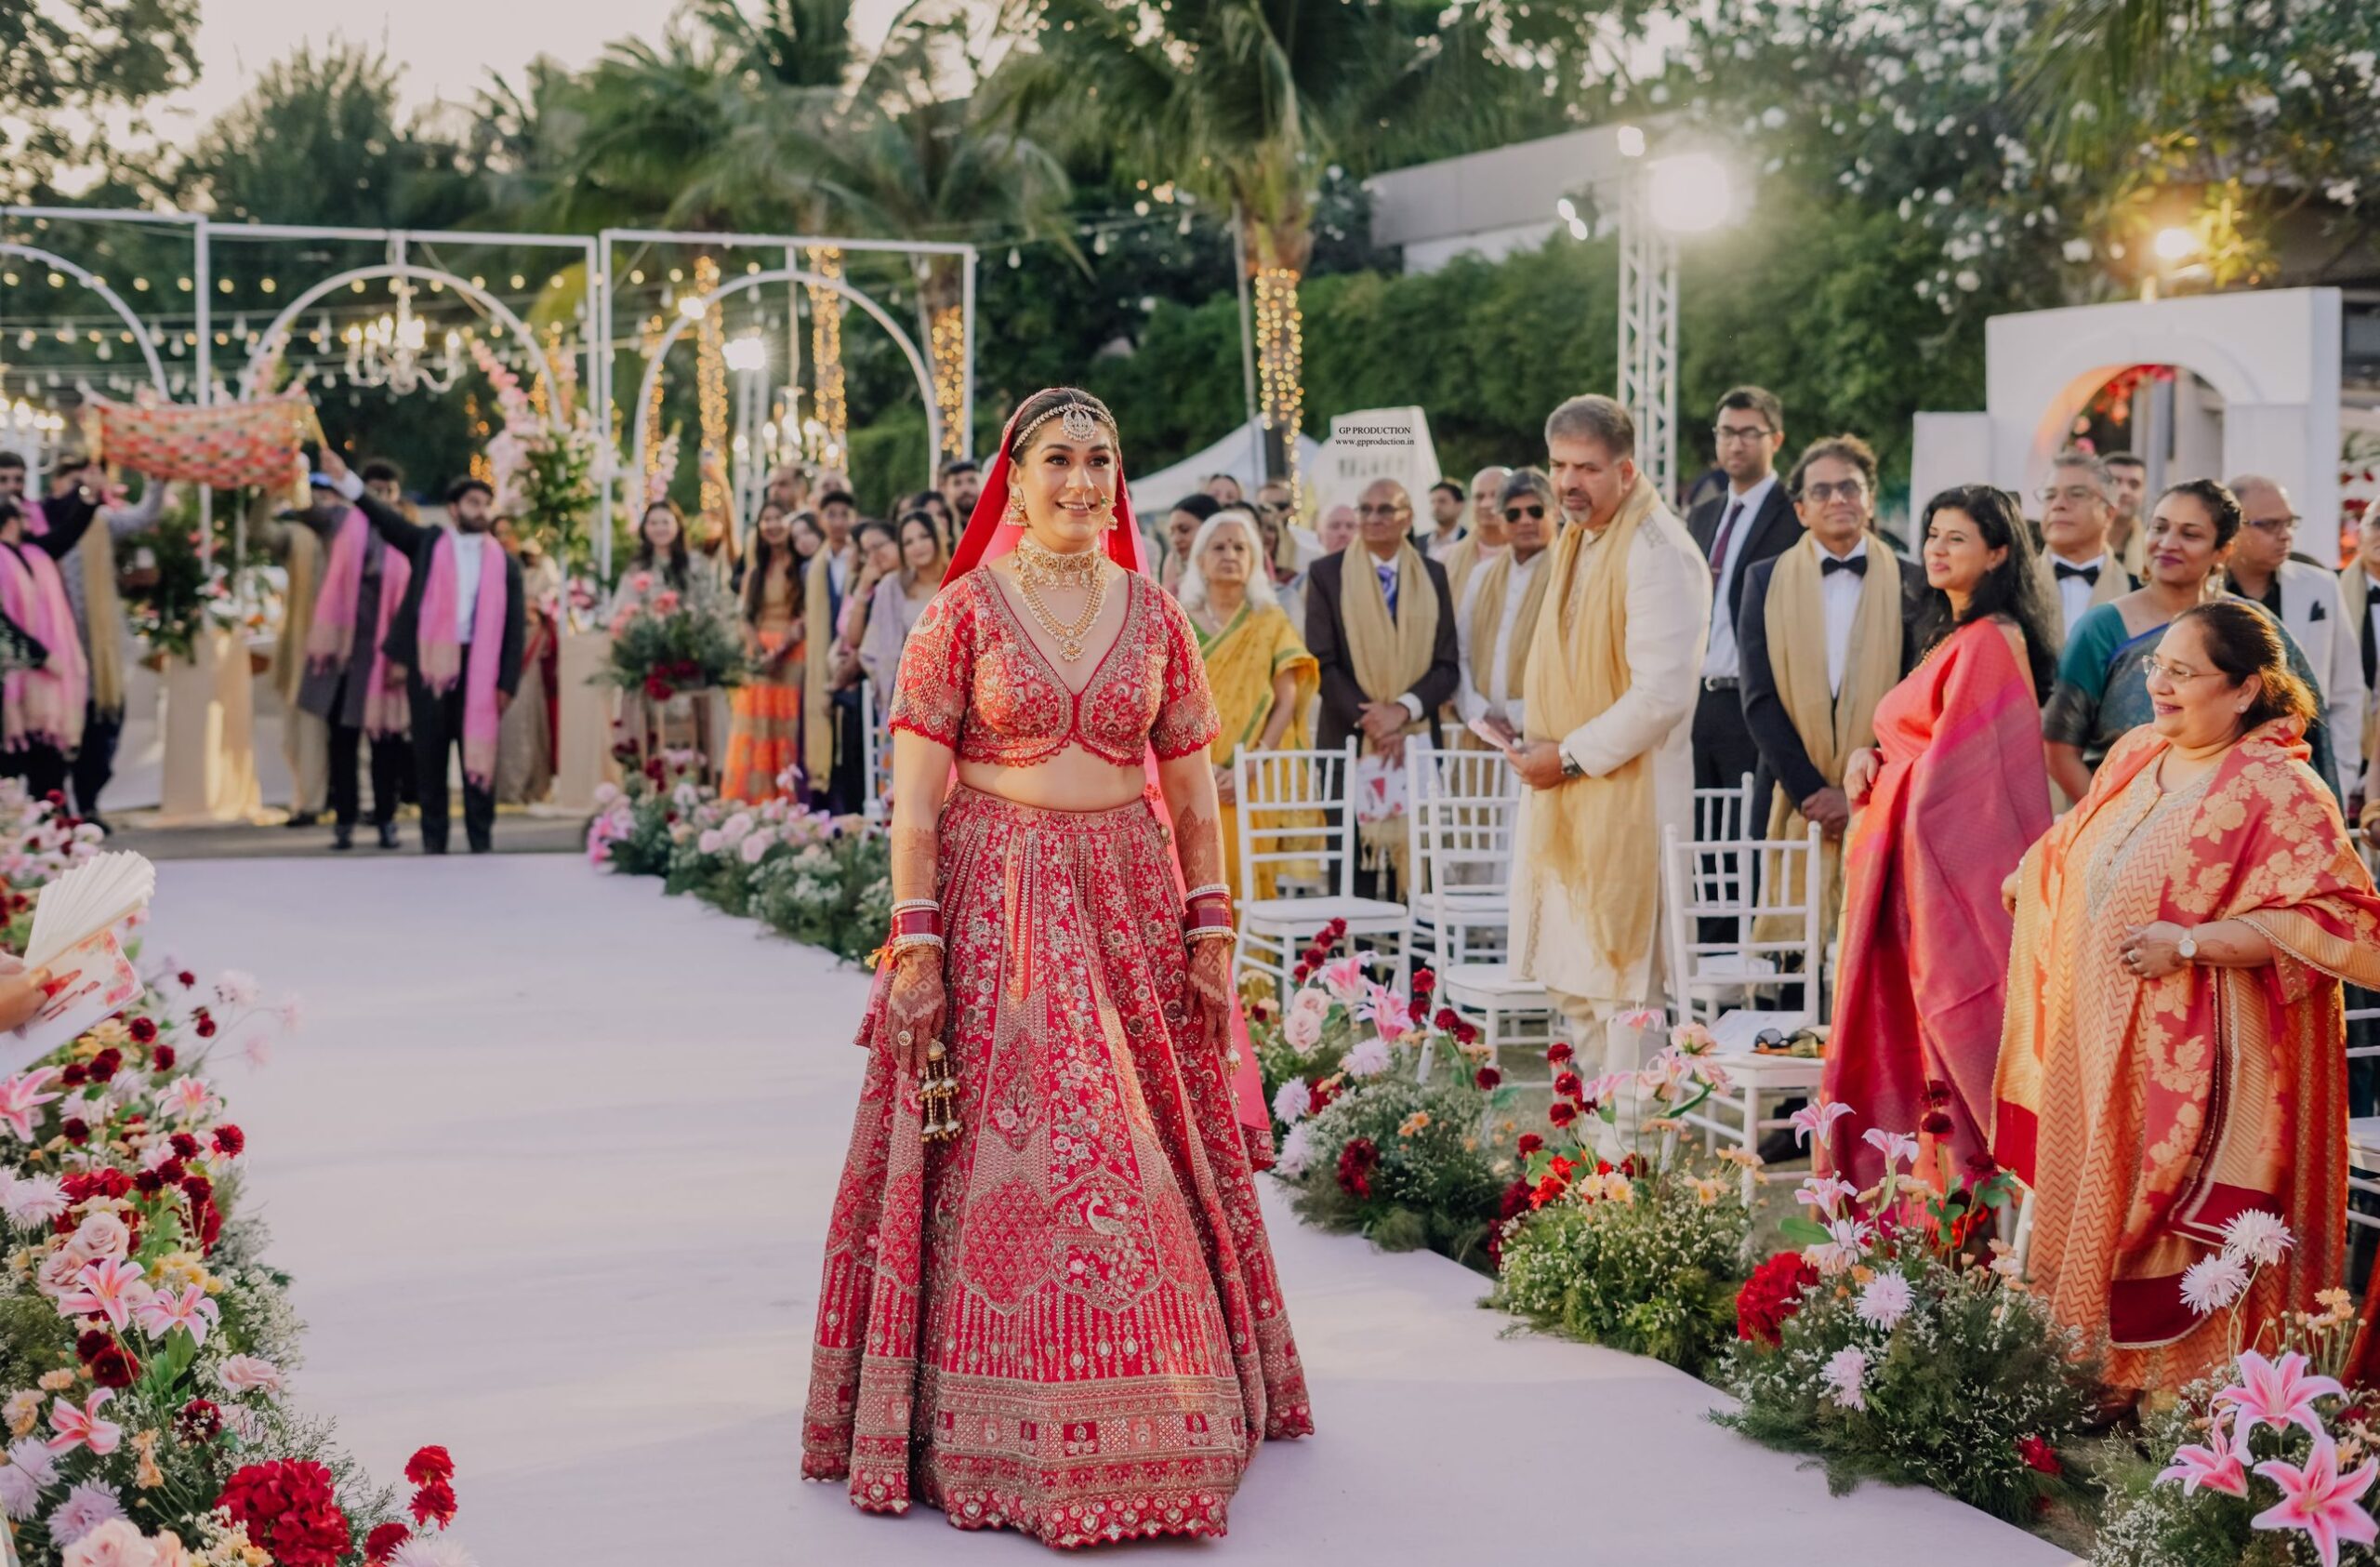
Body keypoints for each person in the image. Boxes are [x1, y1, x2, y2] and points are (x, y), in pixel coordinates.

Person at [801, 388, 1310, 1545]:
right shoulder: (961, 613)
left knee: (1141, 1141)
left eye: (1100, 459)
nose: (1081, 480)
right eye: (1057, 460)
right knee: (1046, 1150)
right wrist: (917, 939)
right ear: (1015, 479)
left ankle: (1161, 1408)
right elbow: (914, 801)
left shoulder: (1157, 613)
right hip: (1001, 901)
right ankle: (1014, 1422)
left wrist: (1211, 929)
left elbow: (1191, 792)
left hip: (1128, 900)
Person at [1995, 599, 2380, 1399]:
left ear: (2244, 690)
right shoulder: (2137, 751)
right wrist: (2034, 876)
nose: (2158, 684)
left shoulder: (2281, 787)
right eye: (2155, 666)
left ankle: (2189, 1396)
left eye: (2182, 671)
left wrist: (2195, 944)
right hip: (2095, 1037)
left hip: (2203, 1065)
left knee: (2179, 1225)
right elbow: (2075, 838)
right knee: (2098, 1190)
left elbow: (2347, 924)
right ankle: (2092, 1369)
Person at [1824, 485, 2056, 1191]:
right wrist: (1870, 757)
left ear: (1999, 552)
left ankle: (1950, 1205)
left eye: (1957, 538)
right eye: (1932, 534)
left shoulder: (1992, 639)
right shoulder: (1950, 635)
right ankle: (1901, 1196)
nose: (1937, 549)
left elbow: (1964, 784)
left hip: (1941, 872)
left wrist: (1893, 777)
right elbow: (1917, 743)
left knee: (1942, 1021)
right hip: (1900, 864)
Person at [1506, 395, 1709, 1156]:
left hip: (1629, 803)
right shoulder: (1578, 540)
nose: (1568, 483)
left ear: (1626, 470)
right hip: (1570, 803)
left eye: (1586, 468)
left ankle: (1637, 1170)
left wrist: (1564, 755)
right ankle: (1601, 1161)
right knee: (1579, 988)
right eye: (1559, 465)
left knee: (1626, 996)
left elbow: (1662, 694)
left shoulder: (1658, 551)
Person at [2043, 479, 2339, 806]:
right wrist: (2115, 820)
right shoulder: (2102, 627)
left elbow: (2298, 726)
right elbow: (2059, 749)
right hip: (2126, 817)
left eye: (2190, 534)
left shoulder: (2251, 624)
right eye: (2159, 528)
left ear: (2223, 550)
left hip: (2238, 816)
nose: (2168, 543)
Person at [1737, 435, 1921, 947]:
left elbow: (1913, 698)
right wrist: (1814, 794)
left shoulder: (1913, 581)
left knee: (1879, 947)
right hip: (1790, 793)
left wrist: (1860, 791)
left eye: (1849, 487)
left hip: (1885, 795)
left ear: (1869, 499)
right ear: (1800, 510)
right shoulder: (1763, 579)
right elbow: (1758, 696)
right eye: (1821, 491)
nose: (1837, 499)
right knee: (1789, 963)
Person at [329, 456, 526, 855]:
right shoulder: (429, 544)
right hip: (430, 667)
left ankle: (481, 843)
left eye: (486, 505)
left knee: (477, 758)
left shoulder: (504, 563)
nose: (481, 511)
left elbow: (515, 628)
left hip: (480, 670)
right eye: (472, 503)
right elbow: (387, 519)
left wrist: (507, 683)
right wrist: (347, 482)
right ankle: (434, 844)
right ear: (453, 509)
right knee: (430, 757)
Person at [1301, 477, 1460, 896]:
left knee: (1420, 869)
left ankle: (1418, 942)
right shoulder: (1327, 574)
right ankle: (1356, 945)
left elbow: (1447, 665)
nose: (1373, 517)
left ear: (1407, 518)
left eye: (1385, 509)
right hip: (1349, 739)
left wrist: (1401, 711)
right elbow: (1322, 663)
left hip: (1416, 741)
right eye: (1365, 509)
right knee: (1355, 870)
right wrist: (1374, 720)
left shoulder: (1432, 575)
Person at [1181, 508, 1317, 899]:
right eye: (1219, 547)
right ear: (1200, 560)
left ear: (1255, 559)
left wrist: (1251, 764)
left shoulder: (1270, 621)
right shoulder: (1180, 620)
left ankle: (1252, 943)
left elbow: (1287, 700)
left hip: (1252, 775)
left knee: (1249, 875)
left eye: (1240, 548)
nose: (1230, 555)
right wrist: (1202, 769)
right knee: (1195, 878)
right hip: (1192, 772)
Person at [22, 452, 159, 830]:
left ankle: (89, 802)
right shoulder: (38, 524)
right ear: (56, 483)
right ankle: (55, 808)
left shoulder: (101, 521)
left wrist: (157, 479)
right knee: (56, 735)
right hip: (52, 653)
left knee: (101, 730)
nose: (82, 487)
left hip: (99, 650)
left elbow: (144, 517)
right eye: (74, 480)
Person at [1686, 388, 1798, 806]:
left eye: (1749, 433)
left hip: (1755, 703)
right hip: (1697, 701)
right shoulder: (1703, 515)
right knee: (1696, 833)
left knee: (1746, 832)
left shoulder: (1796, 515)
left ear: (1776, 439)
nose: (1736, 444)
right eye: (1726, 432)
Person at [291, 474, 413, 850]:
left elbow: (414, 602)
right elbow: (305, 511)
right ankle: (344, 822)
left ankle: (386, 820)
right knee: (342, 743)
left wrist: (403, 656)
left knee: (385, 745)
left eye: (387, 491)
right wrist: (296, 473)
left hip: (384, 657)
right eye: (372, 489)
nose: (380, 497)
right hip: (343, 654)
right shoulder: (341, 521)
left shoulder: (405, 533)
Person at [2226, 473, 2363, 799]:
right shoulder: (2203, 593)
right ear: (2232, 527)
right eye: (2269, 525)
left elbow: (2347, 690)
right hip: (2224, 769)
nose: (2285, 535)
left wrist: (2340, 773)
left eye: (2289, 523)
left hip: (2309, 764)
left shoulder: (2320, 586)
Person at [1456, 469, 1555, 746]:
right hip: (1482, 735)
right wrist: (1479, 713)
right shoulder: (1482, 575)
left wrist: (1521, 717)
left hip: (1545, 735)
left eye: (1535, 511)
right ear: (1500, 520)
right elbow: (1460, 652)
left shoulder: (1569, 576)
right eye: (1513, 514)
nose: (1525, 521)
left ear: (1554, 513)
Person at [0, 498, 86, 801]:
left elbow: (65, 536)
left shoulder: (33, 555)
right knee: (10, 769)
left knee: (46, 769)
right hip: (12, 682)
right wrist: (40, 655)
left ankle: (51, 823)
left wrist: (87, 502)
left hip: (40, 690)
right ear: (13, 522)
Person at [722, 500, 804, 803]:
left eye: (778, 518)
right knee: (756, 724)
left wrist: (780, 651)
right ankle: (756, 799)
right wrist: (758, 651)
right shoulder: (754, 572)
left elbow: (805, 616)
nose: (772, 525)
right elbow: (744, 616)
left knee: (787, 723)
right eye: (765, 520)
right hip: (759, 656)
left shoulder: (801, 568)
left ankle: (789, 797)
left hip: (793, 654)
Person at [803, 489, 866, 813]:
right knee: (825, 727)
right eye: (832, 515)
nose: (839, 522)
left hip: (853, 656)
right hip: (821, 657)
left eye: (845, 514)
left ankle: (852, 809)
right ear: (820, 520)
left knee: (851, 737)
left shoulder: (861, 560)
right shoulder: (814, 566)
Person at [2034, 449, 2132, 641]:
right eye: (2050, 495)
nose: (2058, 504)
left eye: (2076, 494)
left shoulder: (2136, 591)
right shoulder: (2013, 586)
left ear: (2109, 514)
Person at [856, 510, 947, 697]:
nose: (918, 546)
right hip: (912, 691)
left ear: (938, 537)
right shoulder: (892, 587)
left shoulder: (960, 579)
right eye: (908, 542)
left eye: (924, 536)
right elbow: (873, 649)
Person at [1441, 464, 1512, 608]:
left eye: (1496, 495)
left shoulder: (1528, 559)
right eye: (1480, 497)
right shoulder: (1446, 557)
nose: (1487, 504)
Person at [1160, 493, 1222, 597]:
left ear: (1211, 528)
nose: (1176, 539)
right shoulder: (1173, 563)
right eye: (1171, 533)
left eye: (1184, 530)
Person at [2105, 452, 2149, 578]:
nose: (2125, 491)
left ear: (2143, 492)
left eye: (2134, 485)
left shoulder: (2154, 551)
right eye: (2115, 482)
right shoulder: (2070, 543)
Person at [1422, 478, 1466, 561]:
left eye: (1442, 501)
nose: (1436, 507)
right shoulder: (1417, 542)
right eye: (1432, 502)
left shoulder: (1470, 541)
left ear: (1460, 505)